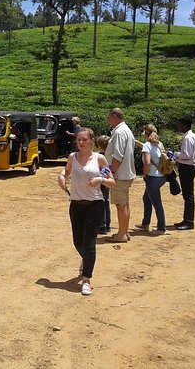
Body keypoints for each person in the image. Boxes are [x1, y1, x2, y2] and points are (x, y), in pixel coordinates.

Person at [58, 128, 116, 296]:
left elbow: (112, 182)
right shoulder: (72, 157)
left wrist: (101, 179)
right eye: (78, 140)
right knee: (78, 242)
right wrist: (62, 176)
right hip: (76, 204)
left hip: (95, 205)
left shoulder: (100, 159)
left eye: (84, 139)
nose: (81, 142)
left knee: (89, 243)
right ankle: (87, 260)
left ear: (92, 141)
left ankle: (86, 280)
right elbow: (67, 171)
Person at [104, 108, 136, 243]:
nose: (108, 121)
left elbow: (117, 156)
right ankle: (124, 231)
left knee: (120, 205)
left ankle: (121, 234)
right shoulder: (127, 130)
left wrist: (111, 172)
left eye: (109, 118)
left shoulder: (118, 132)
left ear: (115, 117)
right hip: (126, 173)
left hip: (119, 174)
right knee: (124, 204)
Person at [134, 124, 167, 235]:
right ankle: (145, 223)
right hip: (161, 176)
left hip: (152, 177)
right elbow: (155, 154)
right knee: (146, 199)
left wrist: (144, 174)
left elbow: (147, 162)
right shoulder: (159, 144)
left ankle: (161, 228)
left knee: (157, 204)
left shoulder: (147, 145)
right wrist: (139, 143)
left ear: (145, 133)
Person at [173, 116, 195, 230]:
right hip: (190, 167)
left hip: (187, 167)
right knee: (188, 195)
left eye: (179, 124)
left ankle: (189, 221)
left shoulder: (188, 138)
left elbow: (187, 155)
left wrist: (176, 154)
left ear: (184, 125)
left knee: (188, 196)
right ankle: (187, 219)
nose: (178, 126)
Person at [96, 135, 111, 234]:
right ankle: (107, 225)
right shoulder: (110, 156)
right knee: (106, 203)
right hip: (107, 182)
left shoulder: (98, 157)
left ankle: (102, 226)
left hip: (101, 182)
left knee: (100, 204)